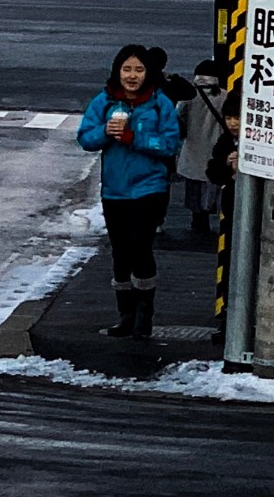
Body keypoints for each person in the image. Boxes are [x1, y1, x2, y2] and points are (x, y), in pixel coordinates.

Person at [78, 43, 183, 338]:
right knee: (120, 253)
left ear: (148, 73)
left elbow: (170, 144)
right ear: (117, 71)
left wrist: (133, 138)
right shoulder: (105, 101)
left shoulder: (160, 103)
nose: (132, 76)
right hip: (114, 190)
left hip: (150, 187)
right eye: (127, 69)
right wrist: (105, 133)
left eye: (139, 69)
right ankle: (124, 313)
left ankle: (143, 313)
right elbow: (85, 138)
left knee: (140, 246)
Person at [176, 59, 225, 240]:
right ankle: (209, 212)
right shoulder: (225, 96)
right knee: (211, 186)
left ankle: (198, 221)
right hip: (216, 149)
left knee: (193, 188)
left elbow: (178, 119)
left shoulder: (188, 97)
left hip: (193, 148)